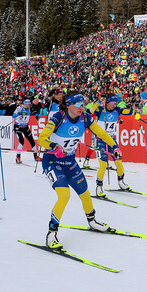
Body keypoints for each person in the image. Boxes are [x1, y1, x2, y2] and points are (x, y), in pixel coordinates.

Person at [37, 93, 115, 248]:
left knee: (85, 193)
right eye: (78, 104)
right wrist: (53, 146)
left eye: (83, 104)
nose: (82, 107)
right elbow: (42, 138)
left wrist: (114, 146)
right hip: (53, 162)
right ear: (69, 105)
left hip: (70, 163)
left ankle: (92, 222)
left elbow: (101, 133)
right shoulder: (58, 118)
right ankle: (51, 234)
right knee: (64, 195)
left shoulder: (85, 118)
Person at [92, 95, 131, 194]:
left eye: (115, 103)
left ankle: (121, 182)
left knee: (118, 162)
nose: (114, 105)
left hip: (111, 140)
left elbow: (129, 112)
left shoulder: (117, 110)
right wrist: (98, 101)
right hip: (100, 140)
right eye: (112, 103)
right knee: (103, 164)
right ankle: (99, 186)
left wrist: (131, 105)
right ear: (107, 102)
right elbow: (91, 110)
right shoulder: (100, 110)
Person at [12, 99, 38, 164]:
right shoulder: (19, 108)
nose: (28, 105)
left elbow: (34, 112)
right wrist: (20, 113)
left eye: (29, 104)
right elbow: (13, 115)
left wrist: (37, 115)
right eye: (27, 104)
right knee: (21, 141)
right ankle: (18, 157)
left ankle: (36, 156)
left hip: (25, 127)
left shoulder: (30, 108)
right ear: (24, 104)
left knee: (32, 141)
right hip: (18, 127)